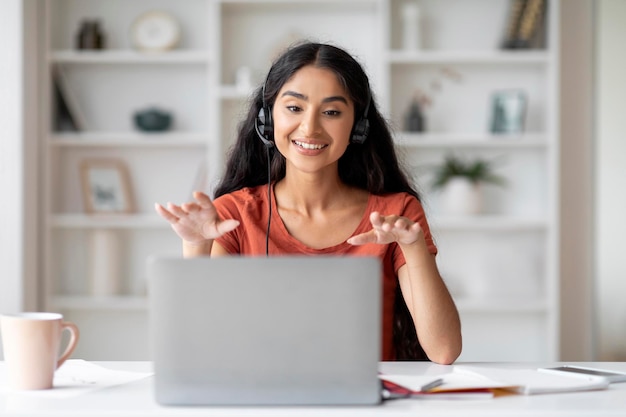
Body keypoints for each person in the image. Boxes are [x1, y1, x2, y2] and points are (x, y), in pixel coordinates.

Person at [155, 41, 462, 365]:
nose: (310, 127)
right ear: (267, 119)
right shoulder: (234, 214)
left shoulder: (395, 214)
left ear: (358, 126)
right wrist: (196, 247)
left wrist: (413, 249)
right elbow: (202, 347)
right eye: (294, 108)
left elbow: (443, 350)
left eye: (331, 112)